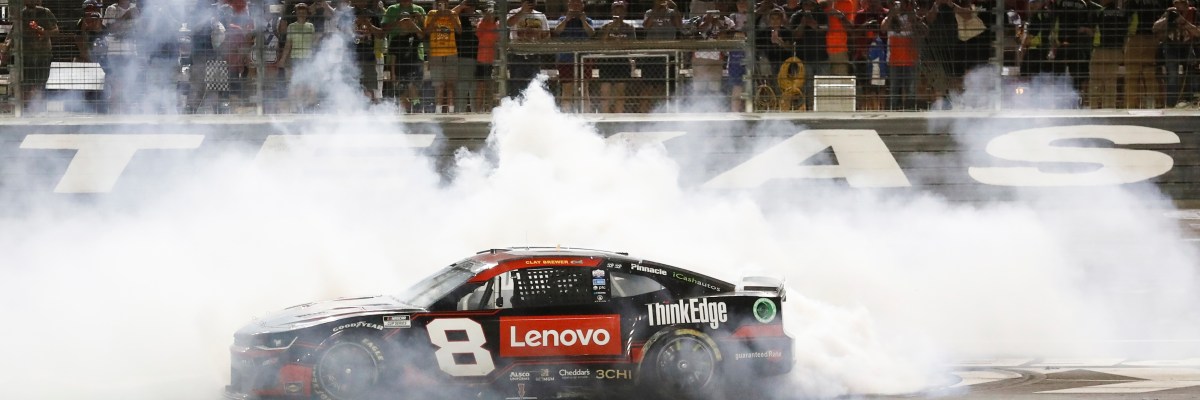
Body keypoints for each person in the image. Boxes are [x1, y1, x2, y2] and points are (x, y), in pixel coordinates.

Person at [381, 0, 425, 111]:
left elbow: (422, 35)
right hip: (400, 68)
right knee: (401, 92)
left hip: (414, 66)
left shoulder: (414, 36)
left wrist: (412, 23)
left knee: (411, 85)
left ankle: (417, 106)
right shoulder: (395, 40)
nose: (405, 23)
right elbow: (393, 58)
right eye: (403, 22)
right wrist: (393, 73)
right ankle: (407, 111)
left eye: (407, 21)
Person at [16, 0, 59, 113]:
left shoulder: (45, 12)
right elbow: (13, 33)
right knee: (27, 82)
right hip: (26, 54)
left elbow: (56, 31)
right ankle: (28, 108)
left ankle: (39, 108)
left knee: (41, 82)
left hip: (43, 53)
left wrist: (44, 32)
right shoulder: (21, 14)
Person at [639, 0, 683, 112]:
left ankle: (663, 112)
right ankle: (644, 114)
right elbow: (646, 26)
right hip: (651, 55)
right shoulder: (649, 12)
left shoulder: (672, 12)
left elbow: (679, 26)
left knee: (664, 87)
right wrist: (656, 10)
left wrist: (675, 8)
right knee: (647, 87)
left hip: (668, 55)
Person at [1125, 0, 1169, 108]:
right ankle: (1151, 104)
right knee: (1150, 75)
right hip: (1152, 38)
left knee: (1133, 75)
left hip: (1136, 39)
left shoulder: (1134, 2)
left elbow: (1126, 18)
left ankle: (1132, 106)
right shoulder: (1159, 3)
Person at [1155, 0, 1199, 107]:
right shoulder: (1170, 12)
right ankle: (1171, 104)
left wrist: (1184, 22)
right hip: (1171, 46)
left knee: (1191, 72)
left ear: (1187, 4)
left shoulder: (1194, 13)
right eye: (1176, 3)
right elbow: (1155, 28)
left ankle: (1189, 100)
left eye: (1182, 3)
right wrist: (1167, 18)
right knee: (1172, 74)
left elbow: (1198, 33)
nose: (1179, 6)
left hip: (1187, 45)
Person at [1050, 0, 1097, 99]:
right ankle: (1074, 97)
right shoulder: (1082, 4)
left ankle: (1066, 97)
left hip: (1067, 44)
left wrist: (1054, 43)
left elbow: (1054, 22)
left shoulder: (1061, 3)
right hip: (1074, 44)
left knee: (1062, 74)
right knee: (1074, 74)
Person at [882, 0, 924, 110]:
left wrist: (912, 13)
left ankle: (910, 111)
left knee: (911, 90)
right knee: (894, 89)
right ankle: (894, 111)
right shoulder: (890, 19)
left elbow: (922, 30)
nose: (900, 5)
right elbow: (883, 28)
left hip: (911, 60)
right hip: (894, 60)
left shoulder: (912, 17)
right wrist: (892, 13)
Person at [276, 3, 318, 112]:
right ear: (296, 13)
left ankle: (307, 107)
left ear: (306, 13)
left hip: (308, 59)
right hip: (296, 58)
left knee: (308, 83)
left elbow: (313, 43)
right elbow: (288, 44)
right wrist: (283, 59)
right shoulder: (291, 26)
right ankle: (298, 107)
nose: (301, 13)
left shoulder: (311, 26)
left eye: (304, 11)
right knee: (297, 83)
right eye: (299, 11)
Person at [553, 0, 594, 110]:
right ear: (568, 5)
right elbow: (557, 31)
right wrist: (567, 19)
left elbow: (591, 33)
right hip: (566, 59)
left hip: (584, 58)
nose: (575, 7)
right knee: (567, 89)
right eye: (573, 4)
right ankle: (566, 114)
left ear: (582, 6)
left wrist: (583, 21)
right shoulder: (562, 19)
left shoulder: (588, 20)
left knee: (584, 89)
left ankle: (585, 114)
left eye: (578, 4)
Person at [596, 0, 635, 112]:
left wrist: (620, 42)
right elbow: (601, 43)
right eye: (616, 10)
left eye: (621, 10)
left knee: (620, 92)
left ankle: (619, 115)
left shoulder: (629, 27)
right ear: (612, 12)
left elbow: (632, 44)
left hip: (622, 60)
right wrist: (610, 29)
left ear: (625, 12)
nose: (618, 13)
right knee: (605, 91)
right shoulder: (605, 26)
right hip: (606, 60)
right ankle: (605, 114)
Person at [506, 0, 550, 97]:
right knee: (516, 86)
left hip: (534, 55)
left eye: (533, 1)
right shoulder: (514, 12)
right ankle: (516, 104)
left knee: (534, 85)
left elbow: (547, 35)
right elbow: (508, 24)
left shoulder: (540, 15)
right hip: (517, 55)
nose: (531, 3)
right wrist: (522, 11)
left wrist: (537, 36)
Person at [790, 0, 828, 109]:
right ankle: (805, 109)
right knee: (805, 86)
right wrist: (802, 24)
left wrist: (814, 25)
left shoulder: (822, 15)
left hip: (822, 57)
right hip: (803, 58)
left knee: (822, 87)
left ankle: (820, 109)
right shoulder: (796, 16)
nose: (809, 6)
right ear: (801, 5)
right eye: (806, 4)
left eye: (811, 4)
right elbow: (795, 36)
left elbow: (825, 30)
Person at [102, 0, 139, 110]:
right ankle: (113, 111)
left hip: (130, 51)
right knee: (115, 84)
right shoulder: (111, 9)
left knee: (128, 83)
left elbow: (140, 30)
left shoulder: (135, 8)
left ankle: (126, 112)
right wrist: (126, 16)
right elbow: (110, 29)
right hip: (115, 52)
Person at [1090, 0, 1127, 108]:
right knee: (1111, 81)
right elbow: (1126, 31)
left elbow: (1093, 30)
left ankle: (1094, 107)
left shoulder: (1100, 12)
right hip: (1116, 49)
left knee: (1096, 80)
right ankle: (1109, 108)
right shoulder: (1123, 13)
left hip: (1101, 49)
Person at [425, 0, 461, 111]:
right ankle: (438, 111)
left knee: (450, 84)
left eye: (445, 3)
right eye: (440, 4)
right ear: (436, 4)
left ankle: (451, 111)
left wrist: (451, 16)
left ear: (448, 4)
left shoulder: (453, 14)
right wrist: (436, 17)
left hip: (451, 53)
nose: (442, 6)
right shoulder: (431, 13)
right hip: (436, 54)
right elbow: (427, 32)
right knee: (438, 85)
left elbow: (459, 31)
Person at [852, 0, 888, 109]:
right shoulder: (860, 15)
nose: (873, 3)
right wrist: (866, 25)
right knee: (866, 87)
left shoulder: (887, 14)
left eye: (875, 1)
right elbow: (854, 34)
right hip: (862, 56)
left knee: (882, 86)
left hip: (882, 57)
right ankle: (867, 110)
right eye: (870, 1)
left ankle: (881, 109)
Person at [691, 8, 733, 100]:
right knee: (699, 89)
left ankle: (714, 106)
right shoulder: (700, 19)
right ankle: (697, 106)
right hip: (700, 57)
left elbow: (728, 37)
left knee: (714, 88)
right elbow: (696, 33)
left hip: (716, 57)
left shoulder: (728, 21)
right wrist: (708, 21)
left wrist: (718, 24)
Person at [352, 3, 385, 102]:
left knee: (369, 86)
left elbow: (380, 35)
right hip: (350, 57)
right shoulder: (348, 13)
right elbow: (340, 33)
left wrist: (368, 24)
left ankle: (370, 108)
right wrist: (354, 24)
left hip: (368, 56)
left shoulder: (372, 15)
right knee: (351, 86)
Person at [453, 0, 480, 112]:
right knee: (463, 86)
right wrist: (460, 6)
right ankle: (460, 111)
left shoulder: (477, 17)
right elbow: (449, 14)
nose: (471, 7)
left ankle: (475, 111)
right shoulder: (459, 17)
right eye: (469, 5)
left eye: (473, 5)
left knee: (474, 87)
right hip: (463, 55)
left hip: (479, 56)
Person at [1019, 0, 1054, 76]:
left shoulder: (1036, 16)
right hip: (1045, 49)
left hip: (1034, 50)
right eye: (1031, 3)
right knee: (1040, 75)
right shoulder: (1048, 14)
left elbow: (1030, 36)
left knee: (1025, 73)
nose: (1032, 5)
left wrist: (1022, 47)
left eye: (1035, 2)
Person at [475, 1, 499, 111]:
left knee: (491, 86)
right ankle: (478, 110)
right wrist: (485, 19)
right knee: (481, 85)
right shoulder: (482, 23)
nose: (490, 13)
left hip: (494, 59)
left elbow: (498, 38)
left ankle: (490, 109)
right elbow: (478, 34)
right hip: (482, 59)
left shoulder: (498, 25)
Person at [825, 0, 858, 76]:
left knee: (841, 80)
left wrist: (842, 17)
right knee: (821, 81)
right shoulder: (820, 2)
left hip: (839, 50)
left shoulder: (847, 3)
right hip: (821, 51)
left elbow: (850, 29)